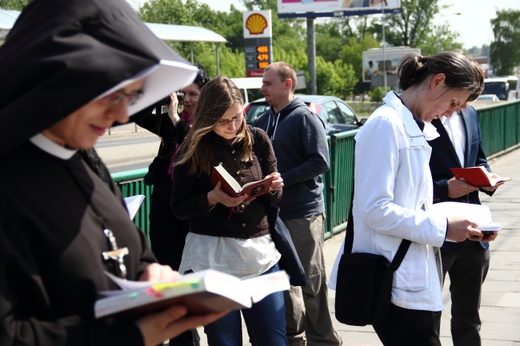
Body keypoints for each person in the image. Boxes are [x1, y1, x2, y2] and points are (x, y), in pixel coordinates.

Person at [0, 0, 227, 345]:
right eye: (111, 94)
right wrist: (131, 336)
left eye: (133, 95)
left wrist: (150, 273)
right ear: (54, 79)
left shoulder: (85, 160)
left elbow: (128, 248)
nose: (123, 115)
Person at [329, 51, 486, 346]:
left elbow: (409, 203)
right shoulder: (386, 124)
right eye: (454, 103)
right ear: (437, 81)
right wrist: (443, 228)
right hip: (393, 279)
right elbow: (375, 209)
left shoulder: (410, 125)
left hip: (408, 278)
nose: (453, 112)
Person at [171, 76, 286, 346]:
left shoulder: (258, 138)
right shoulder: (193, 147)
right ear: (208, 117)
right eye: (223, 120)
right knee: (224, 341)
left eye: (237, 117)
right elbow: (178, 208)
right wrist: (211, 198)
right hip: (212, 259)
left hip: (260, 257)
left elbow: (276, 197)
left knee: (274, 339)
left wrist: (274, 186)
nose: (233, 126)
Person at [253, 62, 342, 346]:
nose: (262, 88)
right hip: (274, 215)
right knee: (284, 282)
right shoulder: (265, 120)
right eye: (263, 83)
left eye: (268, 83)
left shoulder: (304, 117)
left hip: (303, 213)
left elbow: (321, 161)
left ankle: (324, 340)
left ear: (287, 84)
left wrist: (284, 179)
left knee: (311, 281)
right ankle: (295, 339)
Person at [132, 70, 209, 346]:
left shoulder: (210, 124)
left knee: (189, 278)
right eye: (183, 93)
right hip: (165, 203)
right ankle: (180, 339)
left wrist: (176, 118)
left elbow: (193, 145)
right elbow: (133, 114)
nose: (186, 100)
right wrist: (156, 94)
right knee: (167, 274)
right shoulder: (170, 120)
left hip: (191, 208)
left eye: (193, 95)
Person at [428, 104, 501, 345]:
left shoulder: (470, 113)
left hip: (475, 229)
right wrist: (443, 188)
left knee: (469, 316)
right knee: (427, 316)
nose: (462, 103)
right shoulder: (423, 114)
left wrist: (488, 179)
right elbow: (408, 178)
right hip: (436, 229)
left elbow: (478, 157)